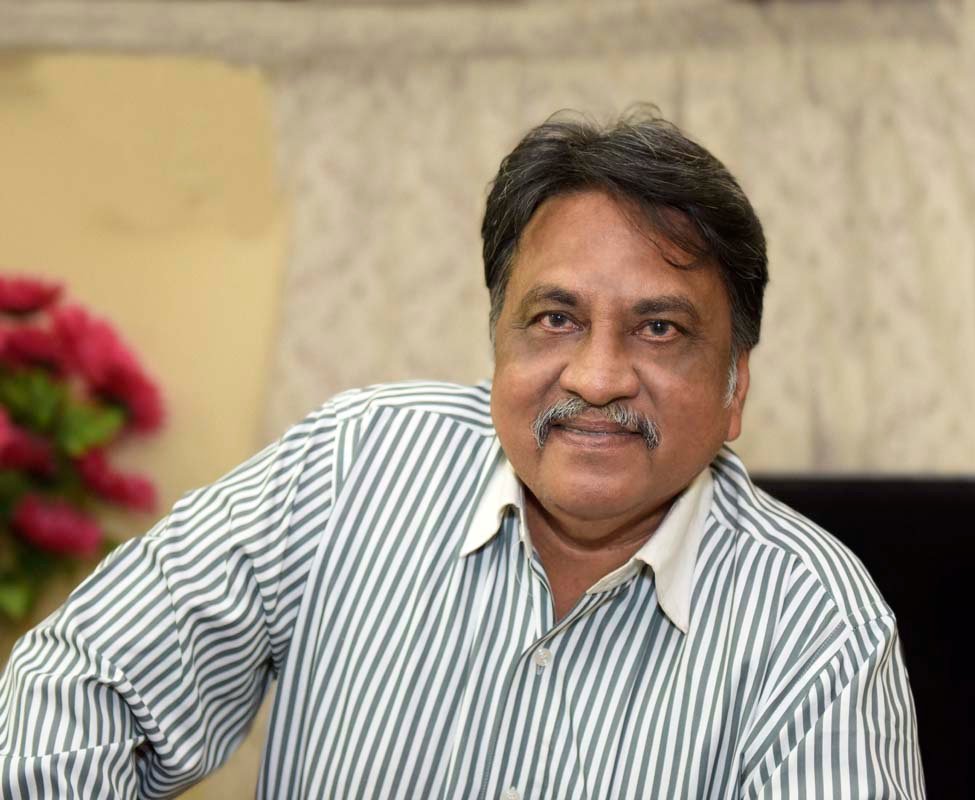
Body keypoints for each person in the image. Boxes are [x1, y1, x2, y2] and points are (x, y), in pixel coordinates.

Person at [0, 110, 924, 799]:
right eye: (555, 318)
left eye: (659, 328)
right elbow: (71, 692)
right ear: (497, 341)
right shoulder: (354, 465)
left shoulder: (817, 625)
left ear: (735, 387)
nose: (598, 377)